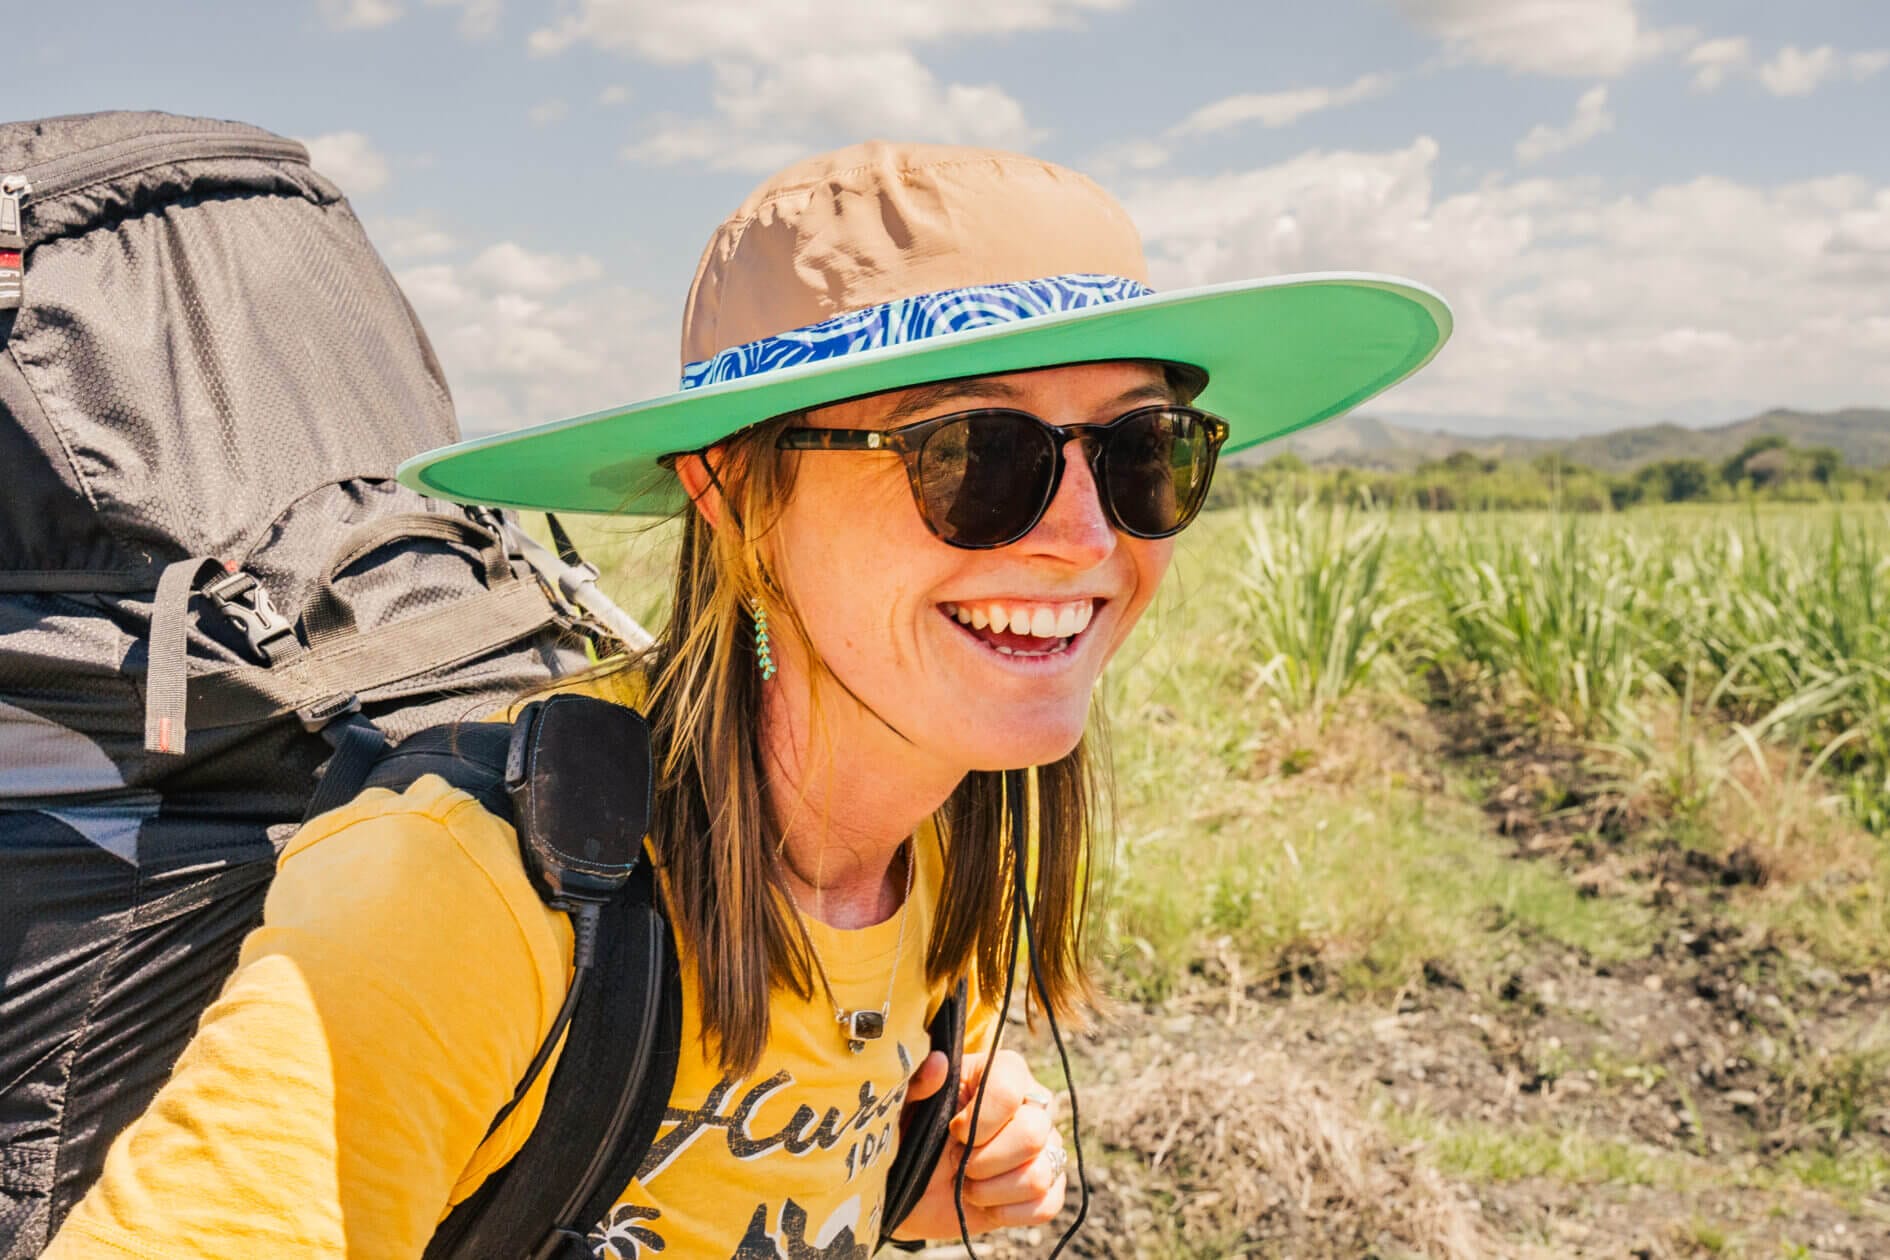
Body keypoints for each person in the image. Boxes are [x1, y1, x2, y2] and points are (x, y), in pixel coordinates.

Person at [44, 141, 1447, 1258]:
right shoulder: (459, 899)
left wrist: (898, 1186)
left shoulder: (942, 826)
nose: (1085, 537)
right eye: (974, 455)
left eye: (1145, 452)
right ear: (737, 497)